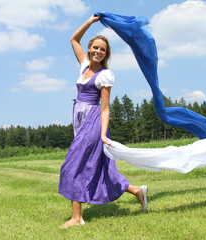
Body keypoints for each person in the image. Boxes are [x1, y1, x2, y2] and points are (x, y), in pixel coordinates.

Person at [58, 15, 148, 229]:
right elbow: (73, 40)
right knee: (102, 167)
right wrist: (90, 22)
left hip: (93, 121)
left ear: (106, 54)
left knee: (73, 166)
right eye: (95, 47)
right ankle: (137, 190)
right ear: (90, 49)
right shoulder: (84, 66)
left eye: (103, 50)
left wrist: (103, 133)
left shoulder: (105, 75)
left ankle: (77, 218)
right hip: (79, 120)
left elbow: (105, 107)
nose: (98, 51)